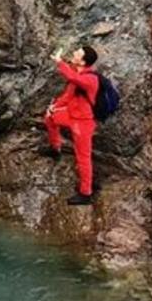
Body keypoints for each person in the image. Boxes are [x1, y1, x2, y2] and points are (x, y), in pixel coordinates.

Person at [40, 44, 100, 206]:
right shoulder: (78, 72)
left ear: (82, 62)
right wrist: (55, 107)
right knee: (49, 118)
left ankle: (86, 193)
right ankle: (55, 148)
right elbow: (68, 96)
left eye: (77, 53)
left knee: (83, 158)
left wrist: (60, 62)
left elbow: (73, 78)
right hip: (71, 115)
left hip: (83, 122)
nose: (74, 53)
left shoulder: (90, 79)